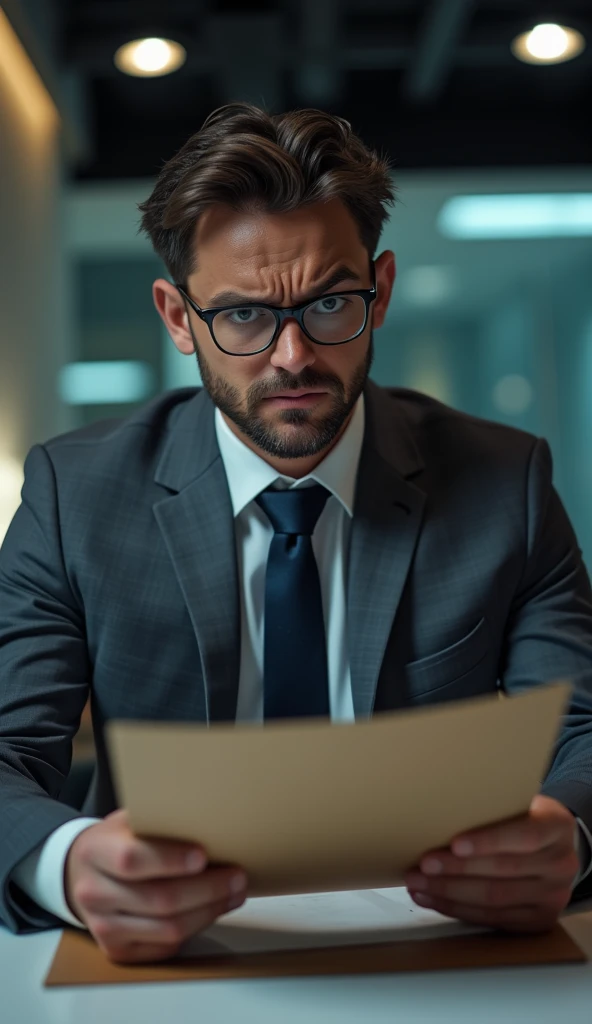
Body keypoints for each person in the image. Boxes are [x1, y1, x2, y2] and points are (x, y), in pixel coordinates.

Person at [1, 103, 592, 966]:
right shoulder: (72, 496)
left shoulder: (509, 484)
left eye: (329, 304)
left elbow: (583, 730)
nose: (292, 357)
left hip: (443, 947)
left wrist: (569, 836)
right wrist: (68, 864)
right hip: (160, 951)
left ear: (380, 290)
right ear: (177, 317)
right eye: (242, 316)